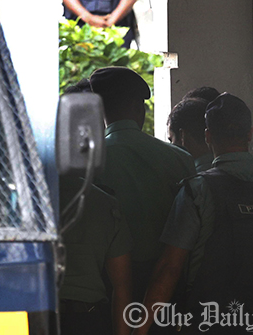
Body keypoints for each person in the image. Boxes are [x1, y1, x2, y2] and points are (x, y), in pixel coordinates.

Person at [134, 93, 253, 335]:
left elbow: (169, 268)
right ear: (250, 134)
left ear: (208, 136)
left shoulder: (198, 190)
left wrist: (141, 328)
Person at [89, 67, 196, 305]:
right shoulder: (180, 159)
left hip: (109, 286)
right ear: (140, 108)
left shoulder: (87, 162)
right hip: (168, 284)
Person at [58, 82, 132, 335]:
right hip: (88, 320)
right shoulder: (106, 203)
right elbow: (122, 286)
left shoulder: (25, 198)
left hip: (37, 315)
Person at [167, 98, 214, 173]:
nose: (171, 147)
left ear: (183, 136)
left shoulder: (189, 182)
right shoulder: (233, 172)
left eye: (171, 140)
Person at [63, 0, 137, 47]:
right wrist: (88, 18)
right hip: (79, 24)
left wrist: (114, 18)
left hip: (118, 25)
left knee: (117, 68)